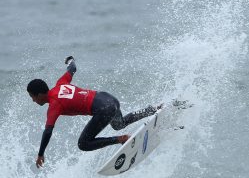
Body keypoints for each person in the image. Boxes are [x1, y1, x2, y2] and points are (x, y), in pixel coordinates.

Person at [27, 56, 159, 168]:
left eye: (32, 97)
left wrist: (40, 154)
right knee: (119, 124)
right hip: (109, 98)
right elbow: (72, 69)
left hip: (103, 109)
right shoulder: (61, 83)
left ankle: (121, 139)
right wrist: (70, 60)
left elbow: (48, 131)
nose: (33, 101)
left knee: (83, 144)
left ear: (39, 95)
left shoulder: (54, 105)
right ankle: (151, 110)